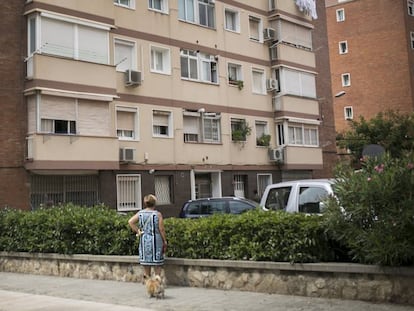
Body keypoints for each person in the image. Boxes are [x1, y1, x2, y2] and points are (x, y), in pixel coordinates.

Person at [128, 194, 167, 281]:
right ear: (154, 203)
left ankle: (148, 284)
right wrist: (164, 241)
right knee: (157, 264)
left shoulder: (140, 213)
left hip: (144, 240)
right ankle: (157, 283)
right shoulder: (157, 214)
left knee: (146, 264)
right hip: (156, 241)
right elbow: (161, 229)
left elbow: (130, 221)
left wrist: (138, 231)